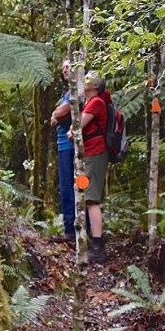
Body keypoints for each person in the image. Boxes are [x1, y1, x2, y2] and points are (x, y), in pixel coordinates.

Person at [80, 71, 110, 264]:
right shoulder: (89, 102)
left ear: (96, 85)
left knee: (91, 199)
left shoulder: (96, 102)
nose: (85, 79)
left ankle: (98, 246)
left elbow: (77, 127)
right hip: (88, 154)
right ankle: (90, 237)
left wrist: (70, 132)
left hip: (95, 153)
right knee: (85, 193)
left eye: (90, 77)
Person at [49, 60, 76, 242]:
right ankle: (72, 228)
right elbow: (55, 116)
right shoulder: (68, 93)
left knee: (71, 187)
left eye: (68, 66)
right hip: (63, 146)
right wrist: (56, 114)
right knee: (67, 188)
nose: (65, 70)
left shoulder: (77, 92)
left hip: (70, 147)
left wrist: (56, 114)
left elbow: (59, 114)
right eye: (63, 68)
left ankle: (72, 230)